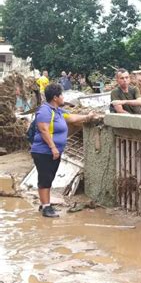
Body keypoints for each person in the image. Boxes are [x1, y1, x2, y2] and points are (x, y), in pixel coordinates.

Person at [31, 83, 97, 218]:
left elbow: (72, 118)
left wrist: (88, 116)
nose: (63, 97)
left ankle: (45, 203)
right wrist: (53, 147)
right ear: (55, 97)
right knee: (45, 178)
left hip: (51, 151)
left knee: (48, 178)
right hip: (44, 151)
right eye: (61, 95)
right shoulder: (45, 111)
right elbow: (43, 130)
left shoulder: (58, 111)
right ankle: (45, 208)